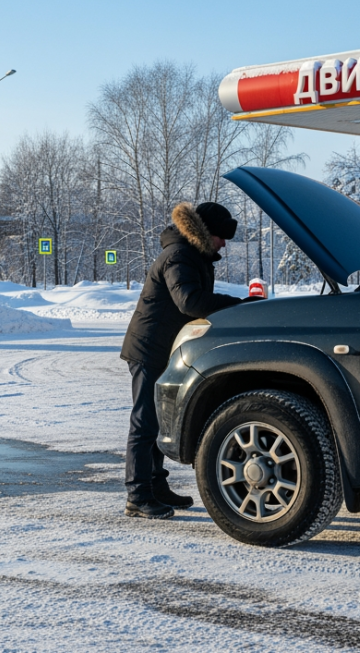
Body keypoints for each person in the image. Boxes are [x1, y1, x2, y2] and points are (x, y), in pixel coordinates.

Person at [120, 201, 247, 519]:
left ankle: (155, 486)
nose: (224, 243)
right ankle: (137, 495)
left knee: (160, 420)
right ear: (207, 232)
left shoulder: (194, 255)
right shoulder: (179, 255)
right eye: (221, 236)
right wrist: (238, 306)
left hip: (165, 347)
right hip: (149, 348)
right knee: (145, 422)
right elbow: (189, 301)